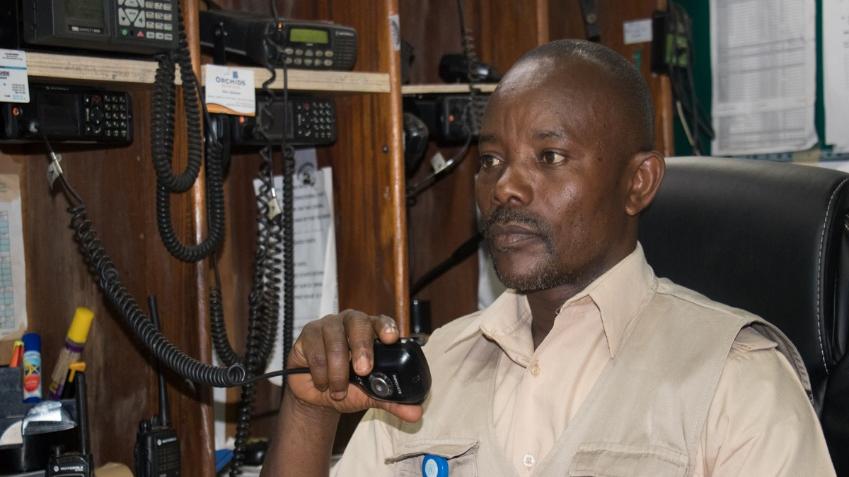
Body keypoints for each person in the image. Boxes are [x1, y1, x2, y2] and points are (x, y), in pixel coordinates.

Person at [261, 39, 835, 476]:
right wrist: (311, 413)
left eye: (550, 156)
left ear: (638, 182)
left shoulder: (736, 381)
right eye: (490, 161)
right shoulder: (431, 370)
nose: (505, 188)